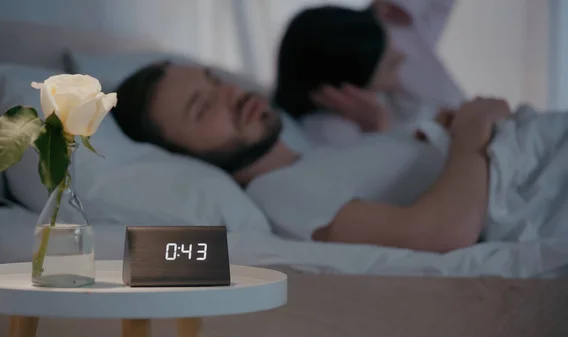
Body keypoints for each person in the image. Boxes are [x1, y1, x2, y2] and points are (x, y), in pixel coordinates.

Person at [112, 61, 568, 254]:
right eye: (203, 107)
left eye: (214, 80)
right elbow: (440, 232)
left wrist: (442, 135)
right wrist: (474, 130)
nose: (231, 93)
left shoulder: (309, 159)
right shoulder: (279, 193)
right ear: (183, 157)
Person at [273, 1, 463, 146]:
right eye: (389, 64)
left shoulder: (384, 37)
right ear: (345, 89)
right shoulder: (332, 132)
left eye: (392, 46)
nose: (401, 57)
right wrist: (379, 131)